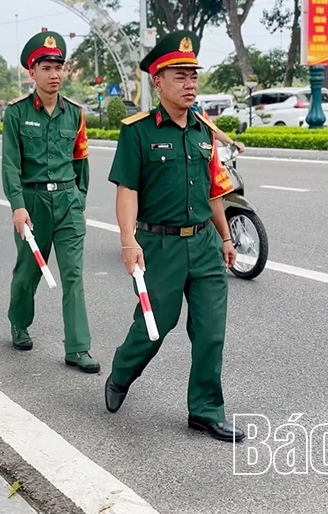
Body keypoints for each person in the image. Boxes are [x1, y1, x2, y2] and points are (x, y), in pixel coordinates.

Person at [104, 30, 245, 442]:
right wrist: (128, 241)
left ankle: (205, 409)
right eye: (179, 76)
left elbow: (214, 190)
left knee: (210, 330)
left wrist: (225, 238)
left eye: (193, 76)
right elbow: (127, 190)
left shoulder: (202, 131)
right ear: (158, 81)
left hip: (203, 244)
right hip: (159, 246)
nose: (190, 84)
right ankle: (122, 372)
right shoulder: (138, 132)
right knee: (155, 326)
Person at [0, 30, 98, 374]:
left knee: (73, 275)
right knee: (28, 272)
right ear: (32, 72)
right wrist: (18, 205)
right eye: (46, 67)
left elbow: (81, 160)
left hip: (68, 202)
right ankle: (19, 321)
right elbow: (10, 163)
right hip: (33, 200)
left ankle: (78, 347)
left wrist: (79, 199)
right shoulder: (16, 113)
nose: (54, 74)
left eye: (58, 66)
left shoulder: (75, 113)